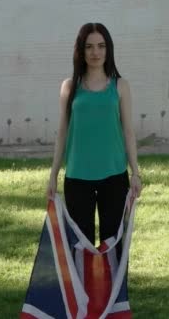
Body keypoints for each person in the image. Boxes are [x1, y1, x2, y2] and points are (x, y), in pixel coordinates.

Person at [46, 22, 142, 245]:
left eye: (101, 46)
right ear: (81, 50)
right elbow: (62, 132)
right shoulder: (69, 87)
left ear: (108, 49)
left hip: (114, 175)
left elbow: (128, 131)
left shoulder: (120, 86)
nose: (95, 52)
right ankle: (84, 282)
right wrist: (53, 175)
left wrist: (136, 172)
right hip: (78, 177)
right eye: (89, 47)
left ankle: (112, 282)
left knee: (114, 243)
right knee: (80, 245)